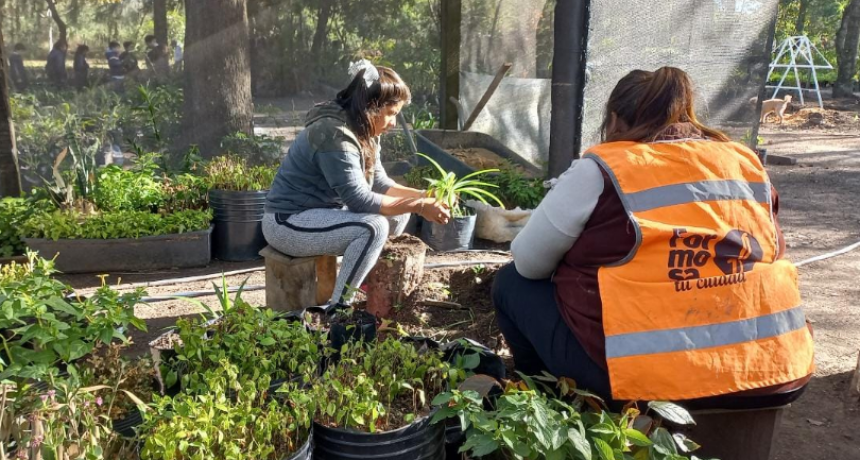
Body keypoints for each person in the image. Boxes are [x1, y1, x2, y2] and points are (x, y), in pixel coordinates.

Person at [492, 67, 815, 406]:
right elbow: (771, 247)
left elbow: (529, 263)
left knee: (512, 284)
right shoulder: (744, 160)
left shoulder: (604, 168)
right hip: (775, 372)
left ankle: (546, 406)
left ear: (615, 119)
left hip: (646, 386)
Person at [263, 61, 450, 306]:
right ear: (372, 107)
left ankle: (368, 286)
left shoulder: (365, 130)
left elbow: (380, 183)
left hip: (323, 213)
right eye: (392, 114)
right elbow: (359, 199)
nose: (393, 123)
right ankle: (339, 308)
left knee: (397, 216)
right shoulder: (334, 135)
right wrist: (418, 205)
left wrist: (424, 195)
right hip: (288, 222)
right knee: (373, 227)